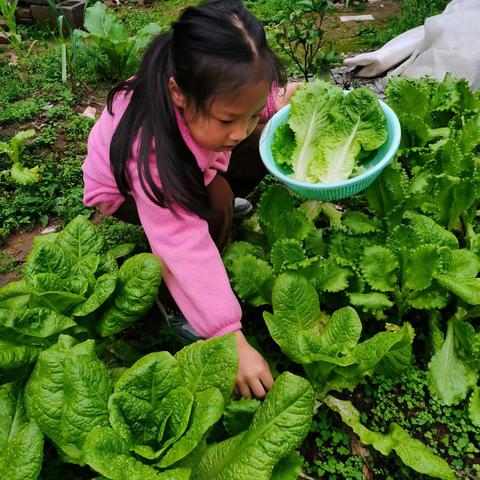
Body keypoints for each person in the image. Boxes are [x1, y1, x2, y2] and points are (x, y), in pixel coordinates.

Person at [82, 0, 298, 399]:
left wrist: (272, 106)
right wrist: (229, 337)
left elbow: (244, 103)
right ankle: (173, 300)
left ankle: (209, 202)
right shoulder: (151, 153)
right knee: (212, 205)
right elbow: (183, 246)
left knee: (262, 143)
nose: (240, 129)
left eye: (248, 114)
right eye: (228, 119)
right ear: (178, 93)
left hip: (189, 156)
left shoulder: (206, 84)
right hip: (123, 191)